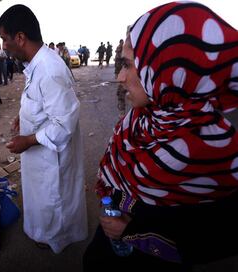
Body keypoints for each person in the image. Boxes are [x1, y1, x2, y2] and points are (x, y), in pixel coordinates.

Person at [83, 2, 238, 271]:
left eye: (130, 65)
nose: (120, 77)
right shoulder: (140, 118)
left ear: (168, 70)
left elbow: (221, 235)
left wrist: (133, 231)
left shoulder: (214, 148)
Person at [0, 4, 88, 254]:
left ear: (20, 37)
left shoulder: (48, 69)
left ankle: (55, 239)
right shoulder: (37, 64)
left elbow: (64, 123)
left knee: (53, 199)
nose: (3, 45)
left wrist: (27, 140)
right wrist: (22, 116)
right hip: (41, 153)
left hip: (50, 154)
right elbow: (41, 102)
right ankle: (47, 232)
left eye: (4, 38)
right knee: (43, 198)